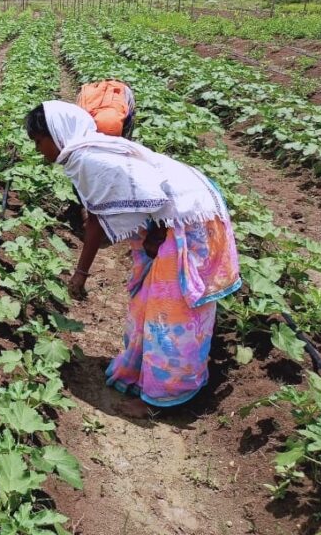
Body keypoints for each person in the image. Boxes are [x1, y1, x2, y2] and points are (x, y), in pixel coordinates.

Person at [25, 101, 242, 408]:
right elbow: (105, 212)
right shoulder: (86, 153)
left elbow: (114, 214)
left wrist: (82, 273)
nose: (38, 150)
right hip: (176, 216)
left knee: (171, 310)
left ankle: (172, 390)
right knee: (150, 299)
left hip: (190, 218)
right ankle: (144, 372)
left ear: (57, 134)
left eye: (38, 141)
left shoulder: (87, 158)